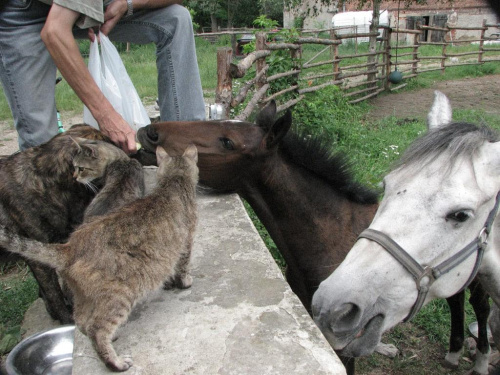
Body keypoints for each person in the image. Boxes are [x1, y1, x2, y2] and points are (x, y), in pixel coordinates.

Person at [0, 0, 205, 154]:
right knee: (43, 146)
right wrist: (108, 116)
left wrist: (128, 3)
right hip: (23, 14)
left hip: (87, 5)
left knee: (175, 18)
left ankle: (185, 149)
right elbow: (54, 31)